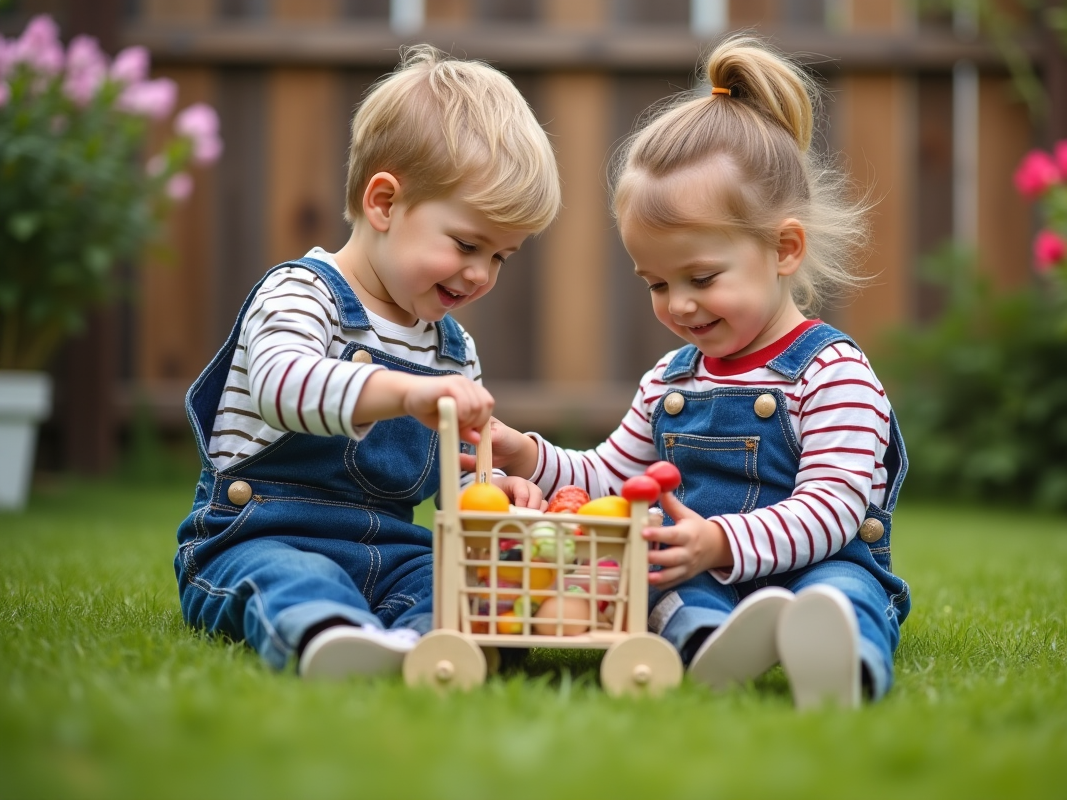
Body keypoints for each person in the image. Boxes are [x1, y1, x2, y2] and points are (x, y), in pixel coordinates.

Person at [478, 35, 910, 709]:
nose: (678, 304)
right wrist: (527, 456)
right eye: (656, 283)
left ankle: (841, 663)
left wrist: (720, 541)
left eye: (701, 278)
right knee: (659, 581)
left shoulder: (833, 373)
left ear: (784, 248)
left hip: (814, 565)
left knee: (842, 594)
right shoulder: (671, 381)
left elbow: (832, 509)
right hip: (699, 569)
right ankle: (710, 645)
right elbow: (610, 477)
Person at [175, 46, 559, 679]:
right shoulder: (303, 293)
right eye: (467, 244)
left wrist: (493, 490)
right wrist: (403, 393)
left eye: (500, 257)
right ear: (383, 203)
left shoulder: (452, 349)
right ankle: (330, 635)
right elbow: (281, 386)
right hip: (261, 535)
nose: (480, 274)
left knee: (464, 589)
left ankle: (422, 642)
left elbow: (459, 474)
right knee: (294, 579)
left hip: (390, 549)